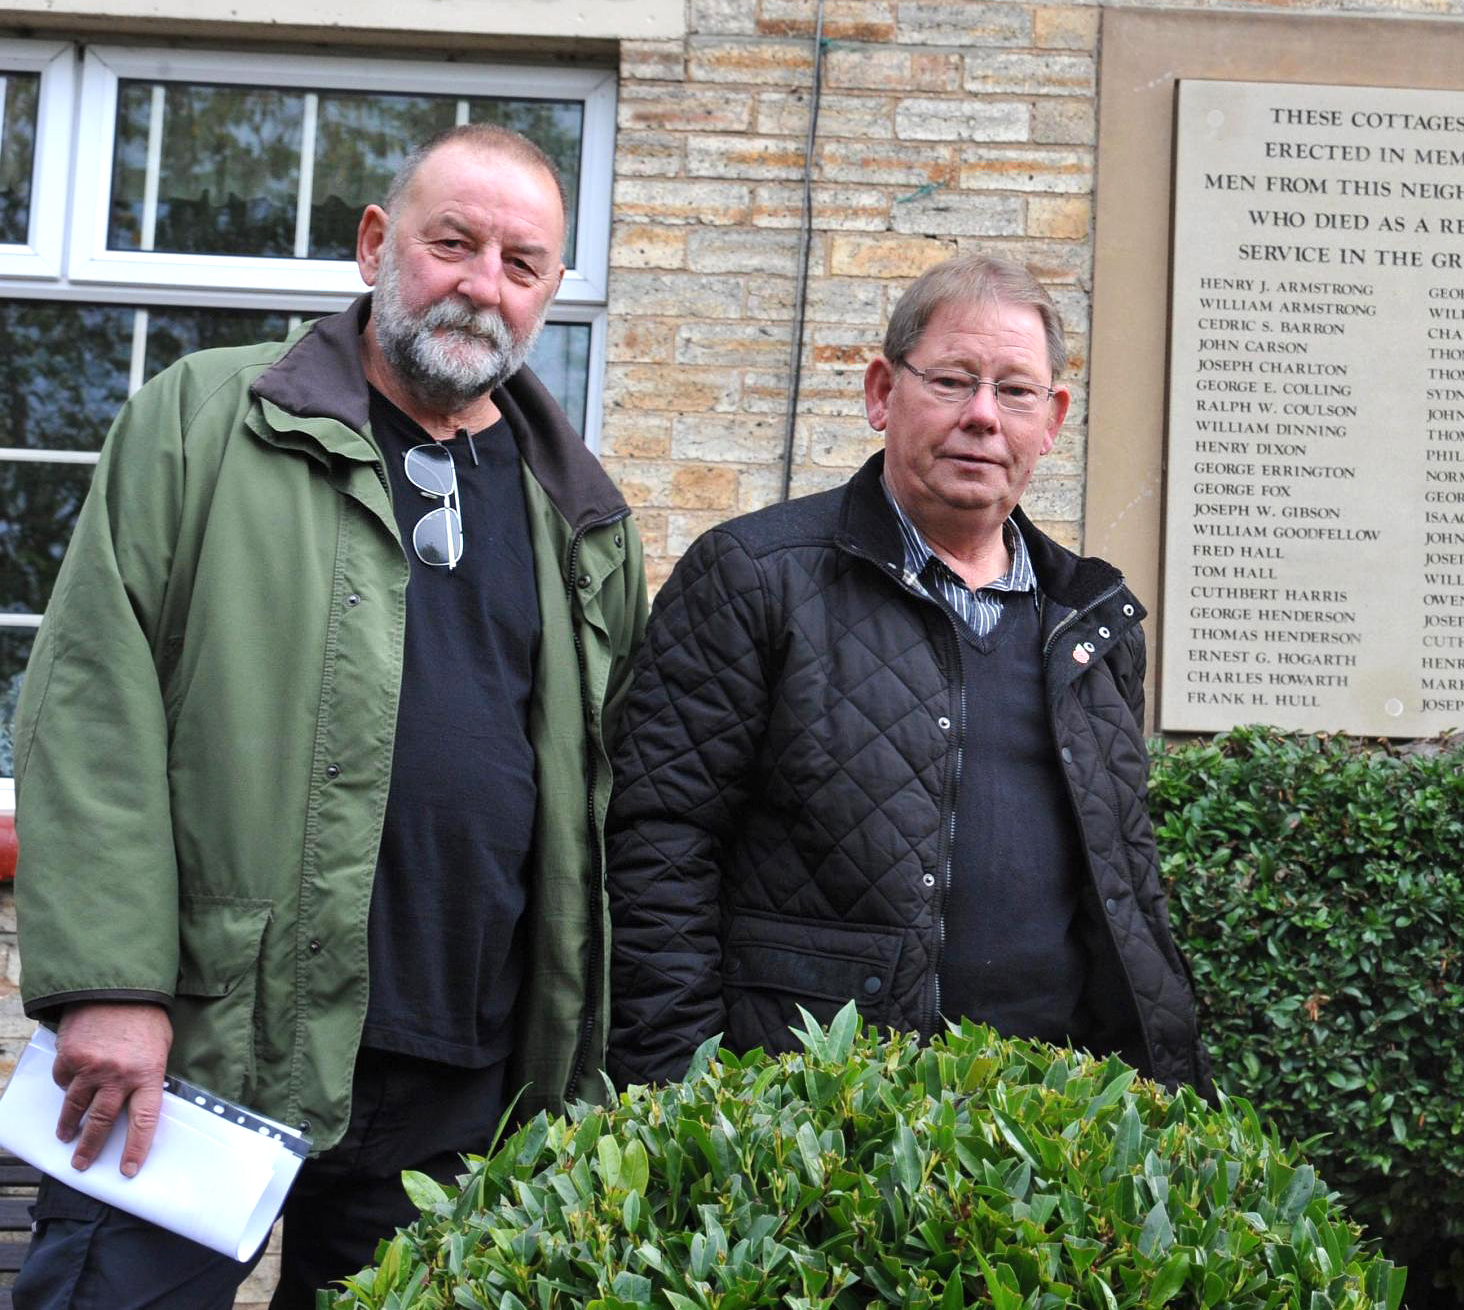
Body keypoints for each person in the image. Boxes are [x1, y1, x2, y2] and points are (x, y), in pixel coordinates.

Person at [12, 124, 648, 1309]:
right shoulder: (206, 419)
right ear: (375, 243)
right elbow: (92, 703)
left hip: (464, 1087)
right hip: (207, 1044)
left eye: (521, 263)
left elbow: (609, 809)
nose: (481, 284)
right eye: (453, 243)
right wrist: (110, 981)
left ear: (552, 293)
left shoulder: (587, 521)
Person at [606, 254, 1204, 1092]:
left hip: (1057, 1123)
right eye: (954, 380)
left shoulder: (1093, 621)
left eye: (1016, 390)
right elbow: (659, 847)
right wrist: (683, 1096)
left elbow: (1127, 887)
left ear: (1053, 419)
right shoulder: (753, 577)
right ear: (882, 392)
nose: (983, 417)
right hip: (821, 1113)